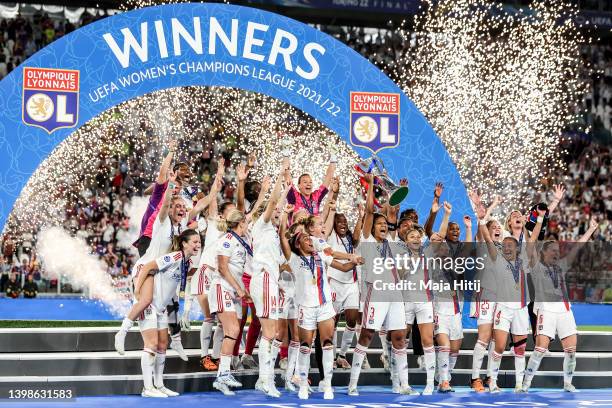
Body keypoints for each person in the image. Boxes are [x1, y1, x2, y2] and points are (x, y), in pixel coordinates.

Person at [348, 173, 417, 396]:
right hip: (375, 294)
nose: (382, 226)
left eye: (384, 224)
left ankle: (403, 384)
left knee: (399, 338)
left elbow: (393, 212)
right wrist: (370, 187)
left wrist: (396, 195)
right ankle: (353, 384)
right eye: (378, 224)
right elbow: (370, 211)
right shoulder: (367, 240)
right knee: (367, 336)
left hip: (395, 296)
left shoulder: (393, 242)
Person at [280, 219, 362, 400]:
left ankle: (328, 387)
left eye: (310, 238)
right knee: (305, 346)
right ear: (297, 244)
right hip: (306, 309)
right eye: (305, 239)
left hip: (325, 307)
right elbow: (282, 238)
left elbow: (342, 266)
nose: (310, 241)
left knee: (327, 344)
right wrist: (284, 219)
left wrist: (355, 261)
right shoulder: (293, 259)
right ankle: (302, 384)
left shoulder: (320, 256)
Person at [522, 218, 599, 392]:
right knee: (540, 349)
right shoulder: (536, 266)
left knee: (571, 350)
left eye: (558, 251)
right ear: (544, 253)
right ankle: (525, 384)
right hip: (546, 310)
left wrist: (590, 229)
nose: (556, 253)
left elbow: (578, 247)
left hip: (564, 310)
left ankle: (567, 383)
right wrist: (532, 226)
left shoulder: (562, 265)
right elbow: (530, 245)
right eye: (552, 251)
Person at [131, 229, 201, 398]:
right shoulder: (175, 257)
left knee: (162, 345)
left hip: (162, 307)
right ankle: (147, 388)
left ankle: (159, 385)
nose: (198, 245)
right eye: (195, 242)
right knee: (152, 345)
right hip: (150, 304)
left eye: (199, 242)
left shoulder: (187, 263)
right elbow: (148, 267)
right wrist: (138, 291)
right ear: (184, 243)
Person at [477, 202, 538, 393]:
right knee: (500, 346)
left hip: (520, 308)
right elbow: (487, 240)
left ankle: (519, 385)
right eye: (506, 245)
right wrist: (481, 220)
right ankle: (492, 382)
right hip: (503, 309)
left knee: (520, 349)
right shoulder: (497, 260)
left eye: (512, 245)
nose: (509, 247)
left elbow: (533, 238)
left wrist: (540, 218)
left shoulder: (524, 260)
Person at [249, 160, 287, 397]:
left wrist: (288, 187)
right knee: (271, 333)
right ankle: (266, 379)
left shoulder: (271, 230)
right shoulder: (261, 226)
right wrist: (280, 175)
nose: (278, 213)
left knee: (272, 334)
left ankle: (265, 379)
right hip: (263, 280)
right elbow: (273, 203)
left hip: (269, 281)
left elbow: (279, 205)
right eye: (274, 212)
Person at [209, 209, 251, 396]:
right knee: (232, 330)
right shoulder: (227, 240)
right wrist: (239, 289)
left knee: (233, 331)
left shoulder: (240, 242)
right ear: (241, 223)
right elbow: (223, 268)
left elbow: (236, 270)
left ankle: (222, 376)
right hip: (222, 288)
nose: (248, 225)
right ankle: (223, 374)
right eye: (246, 223)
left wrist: (243, 290)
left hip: (233, 291)